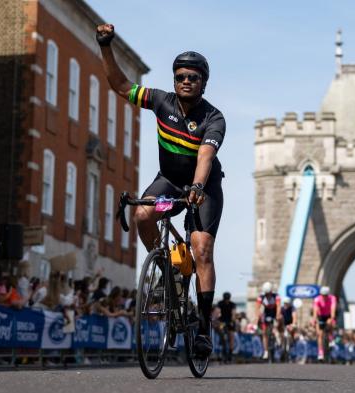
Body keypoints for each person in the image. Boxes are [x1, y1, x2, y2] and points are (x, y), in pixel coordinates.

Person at [96, 23, 226, 360]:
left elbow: (205, 155)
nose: (186, 80)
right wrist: (106, 46)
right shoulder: (160, 101)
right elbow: (121, 86)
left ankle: (202, 330)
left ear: (203, 82)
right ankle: (166, 270)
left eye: (193, 77)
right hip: (168, 179)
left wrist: (197, 186)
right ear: (174, 79)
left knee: (202, 249)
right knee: (141, 212)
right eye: (180, 75)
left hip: (204, 185)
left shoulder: (213, 117)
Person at [255, 282, 281, 360]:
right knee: (264, 333)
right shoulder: (261, 297)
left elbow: (279, 307)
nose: (268, 295)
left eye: (269, 294)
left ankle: (277, 337)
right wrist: (258, 316)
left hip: (274, 312)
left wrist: (277, 316)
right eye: (266, 294)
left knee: (277, 322)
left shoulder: (276, 296)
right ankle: (266, 351)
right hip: (266, 313)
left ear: (271, 292)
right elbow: (257, 308)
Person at [313, 285, 337, 361]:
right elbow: (315, 310)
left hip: (329, 315)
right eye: (322, 295)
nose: (324, 297)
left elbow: (333, 309)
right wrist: (314, 319)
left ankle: (331, 338)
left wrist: (332, 318)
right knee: (319, 334)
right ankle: (320, 352)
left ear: (328, 295)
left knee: (330, 323)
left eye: (325, 295)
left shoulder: (332, 298)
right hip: (321, 316)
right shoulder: (317, 299)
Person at [217, 292, 236, 362]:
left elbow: (233, 313)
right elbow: (218, 312)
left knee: (231, 337)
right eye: (226, 299)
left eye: (227, 299)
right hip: (222, 322)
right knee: (222, 335)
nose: (227, 300)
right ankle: (222, 350)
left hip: (230, 322)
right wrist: (217, 318)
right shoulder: (220, 303)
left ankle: (230, 353)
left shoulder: (232, 304)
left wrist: (233, 320)